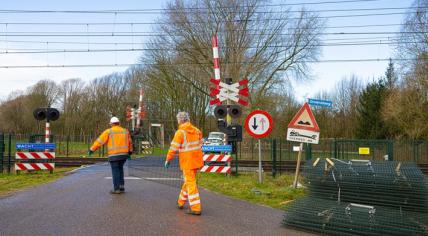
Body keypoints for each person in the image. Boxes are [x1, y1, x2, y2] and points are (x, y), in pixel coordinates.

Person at [164, 112, 204, 215]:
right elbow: (200, 144)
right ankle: (180, 202)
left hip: (187, 162)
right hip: (196, 161)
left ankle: (195, 208)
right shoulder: (197, 131)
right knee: (188, 181)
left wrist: (168, 159)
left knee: (190, 183)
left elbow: (174, 147)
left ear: (180, 120)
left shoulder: (180, 132)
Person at [88, 116, 133, 194]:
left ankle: (116, 189)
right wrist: (130, 152)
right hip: (124, 155)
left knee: (115, 171)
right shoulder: (125, 131)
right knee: (120, 169)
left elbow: (100, 141)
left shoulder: (108, 131)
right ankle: (121, 187)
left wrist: (92, 149)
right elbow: (130, 142)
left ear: (111, 124)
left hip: (114, 155)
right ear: (118, 123)